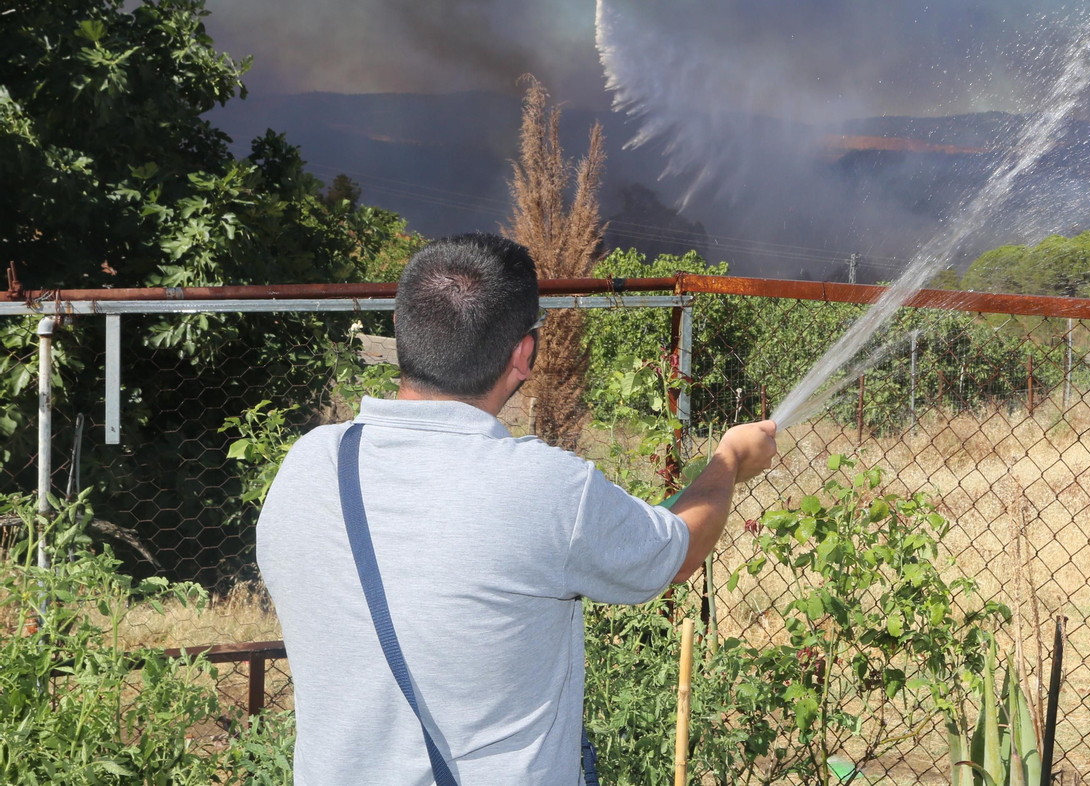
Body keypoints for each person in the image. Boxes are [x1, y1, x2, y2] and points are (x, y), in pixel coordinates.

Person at [257, 233, 778, 785]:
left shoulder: (310, 463)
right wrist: (729, 459)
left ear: (405, 333)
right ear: (523, 354)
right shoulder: (546, 490)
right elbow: (676, 551)